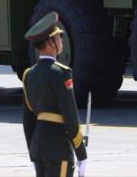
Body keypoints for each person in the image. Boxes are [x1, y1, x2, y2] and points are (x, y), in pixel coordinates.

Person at [22, 12, 87, 177]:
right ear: (51, 43)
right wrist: (81, 153)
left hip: (39, 147)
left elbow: (28, 120)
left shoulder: (29, 75)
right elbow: (70, 116)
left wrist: (34, 149)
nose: (61, 40)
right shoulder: (60, 73)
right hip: (58, 146)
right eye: (58, 37)